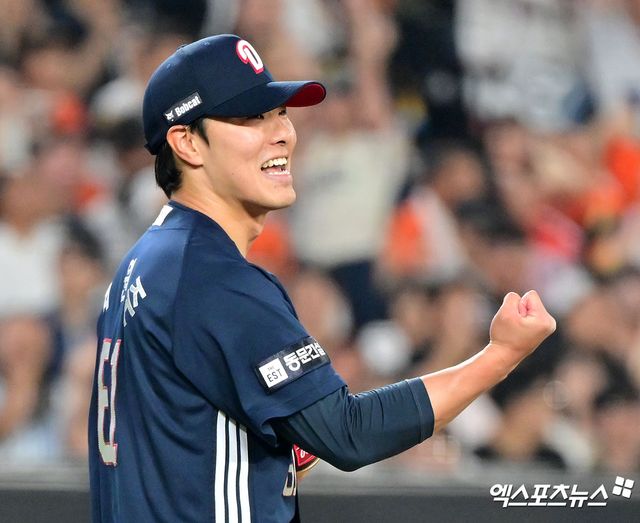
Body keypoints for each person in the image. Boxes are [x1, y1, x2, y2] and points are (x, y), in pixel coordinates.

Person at [88, 34, 556, 523]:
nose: (282, 134)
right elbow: (350, 435)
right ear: (187, 142)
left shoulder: (148, 262)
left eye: (280, 113)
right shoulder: (213, 276)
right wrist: (501, 355)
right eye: (251, 118)